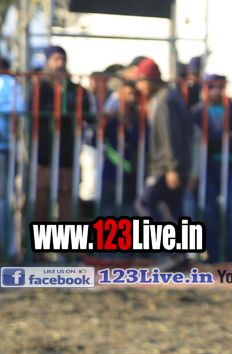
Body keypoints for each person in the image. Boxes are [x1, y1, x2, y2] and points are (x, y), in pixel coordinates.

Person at [30, 46, 95, 222]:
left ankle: (70, 241)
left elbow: (87, 113)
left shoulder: (76, 89)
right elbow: (34, 111)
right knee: (40, 207)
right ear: (47, 62)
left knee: (69, 210)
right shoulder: (40, 87)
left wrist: (67, 108)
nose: (60, 64)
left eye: (63, 60)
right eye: (55, 59)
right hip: (43, 157)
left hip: (68, 157)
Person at [131, 58, 192, 228]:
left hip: (166, 167)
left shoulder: (165, 99)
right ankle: (176, 245)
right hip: (175, 165)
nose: (138, 87)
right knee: (173, 212)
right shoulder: (168, 96)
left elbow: (171, 134)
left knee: (144, 203)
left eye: (140, 81)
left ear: (149, 78)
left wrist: (172, 168)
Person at [191, 75, 232, 262]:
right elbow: (201, 140)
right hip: (207, 167)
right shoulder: (197, 112)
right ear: (205, 89)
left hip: (231, 166)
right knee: (208, 212)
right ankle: (212, 256)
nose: (216, 91)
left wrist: (217, 138)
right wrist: (224, 136)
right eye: (212, 87)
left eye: (220, 87)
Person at [99, 80, 143, 218]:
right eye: (128, 94)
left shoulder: (140, 120)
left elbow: (145, 143)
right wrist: (105, 121)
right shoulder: (112, 119)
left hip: (131, 179)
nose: (131, 98)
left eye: (134, 95)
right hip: (109, 177)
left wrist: (129, 125)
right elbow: (95, 140)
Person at [0, 56, 24, 257]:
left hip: (4, 148)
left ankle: (8, 250)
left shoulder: (9, 82)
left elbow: (19, 107)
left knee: (4, 199)